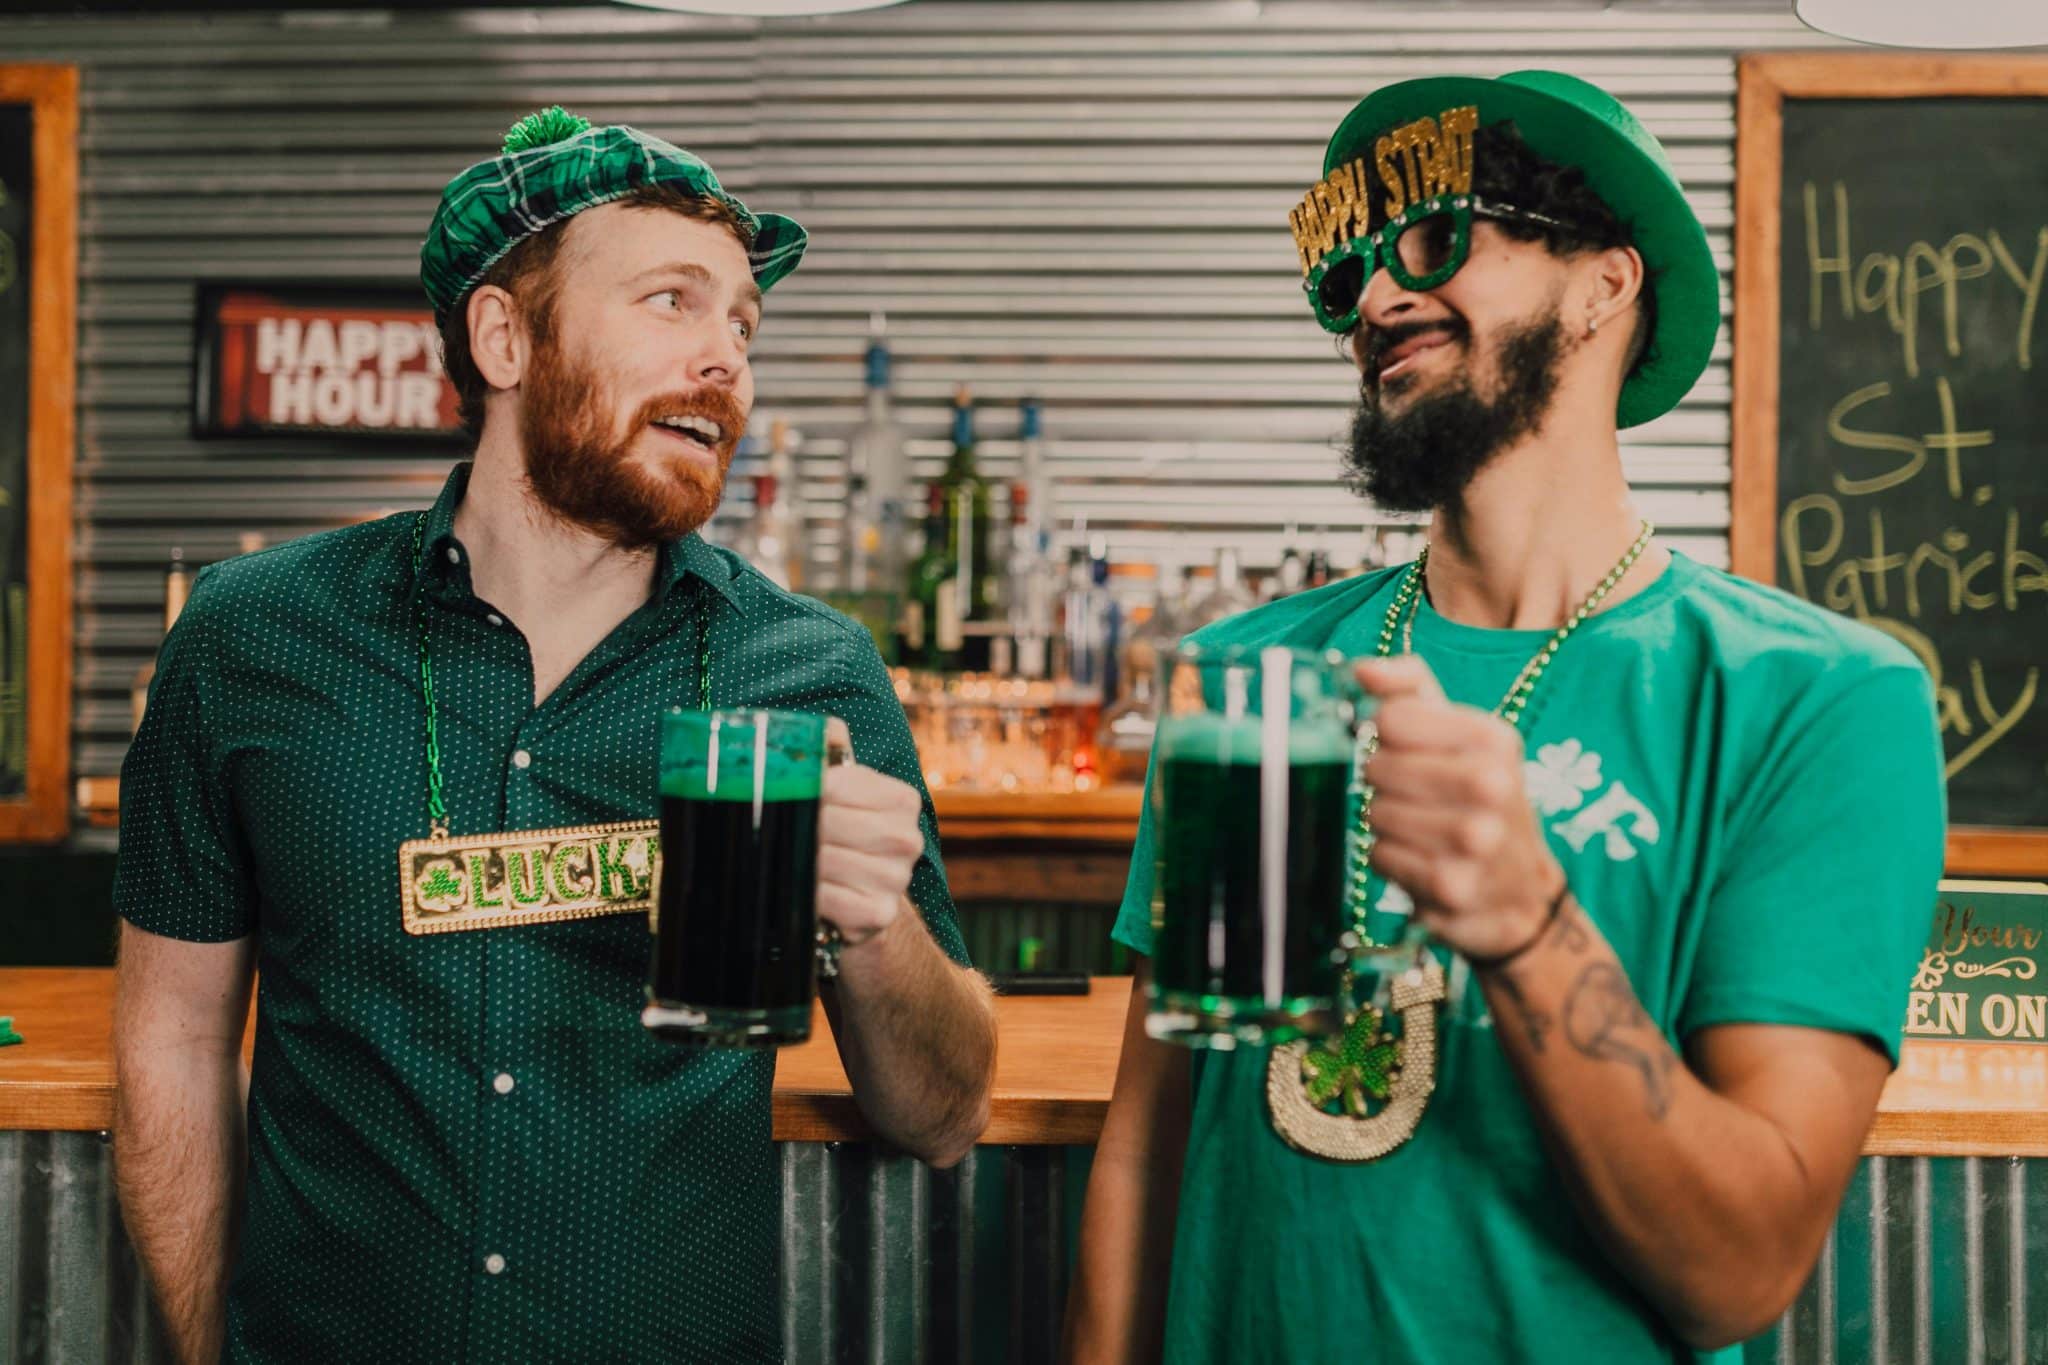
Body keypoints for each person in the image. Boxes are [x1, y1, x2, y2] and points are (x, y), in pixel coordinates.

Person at [1065, 71, 1945, 1365]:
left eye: (1434, 240)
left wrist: (1531, 927)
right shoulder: (1249, 678)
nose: (1372, 301)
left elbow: (1740, 1269)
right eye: (1349, 270)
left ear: (1603, 284)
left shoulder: (1814, 703)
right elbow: (1146, 1149)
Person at [111, 107, 995, 1364]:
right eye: (671, 302)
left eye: (743, 321)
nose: (725, 358)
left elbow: (942, 1115)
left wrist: (874, 924)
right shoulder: (251, 638)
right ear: (504, 336)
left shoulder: (812, 672)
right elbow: (174, 1035)